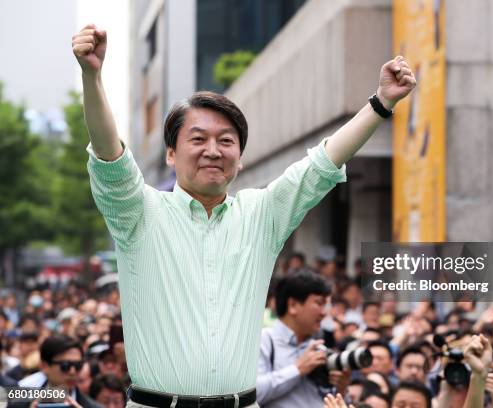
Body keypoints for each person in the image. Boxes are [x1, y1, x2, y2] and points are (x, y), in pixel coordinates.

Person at [72, 19, 415, 407]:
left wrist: (381, 102)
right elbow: (110, 158)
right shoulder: (138, 213)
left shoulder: (261, 215)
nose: (213, 151)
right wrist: (92, 78)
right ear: (171, 153)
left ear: (241, 157)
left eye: (226, 141)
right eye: (197, 139)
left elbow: (321, 164)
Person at [256, 270, 349, 407]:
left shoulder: (319, 349)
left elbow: (327, 399)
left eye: (326, 305)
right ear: (293, 305)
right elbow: (252, 394)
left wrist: (341, 389)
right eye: (319, 303)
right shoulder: (263, 341)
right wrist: (297, 369)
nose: (324, 313)